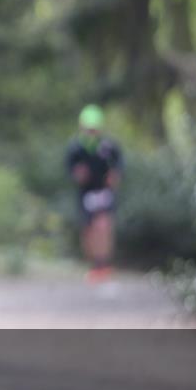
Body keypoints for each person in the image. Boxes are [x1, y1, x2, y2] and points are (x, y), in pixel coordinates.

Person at [65, 104, 122, 283]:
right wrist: (77, 175)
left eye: (94, 128)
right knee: (89, 230)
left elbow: (119, 166)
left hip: (104, 192)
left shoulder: (109, 146)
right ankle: (94, 265)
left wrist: (115, 176)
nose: (91, 132)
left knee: (104, 225)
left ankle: (104, 264)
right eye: (88, 128)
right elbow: (70, 171)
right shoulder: (75, 148)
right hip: (86, 194)